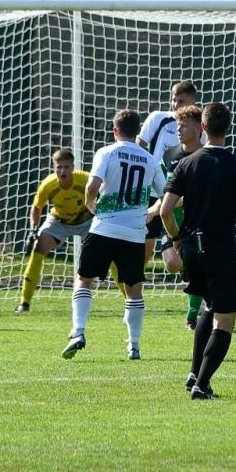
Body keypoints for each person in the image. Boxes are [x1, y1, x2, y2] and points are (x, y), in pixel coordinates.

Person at [159, 102, 236, 400]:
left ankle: (194, 373)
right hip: (220, 250)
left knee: (208, 308)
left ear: (204, 127)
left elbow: (166, 211)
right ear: (229, 128)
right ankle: (202, 385)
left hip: (192, 250)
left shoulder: (185, 163)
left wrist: (176, 239)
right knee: (225, 319)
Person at [62, 109, 164, 361]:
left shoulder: (106, 152)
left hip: (104, 228)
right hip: (134, 233)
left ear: (114, 130)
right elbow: (168, 197)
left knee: (84, 279)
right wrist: (150, 212)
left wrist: (90, 204)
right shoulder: (150, 160)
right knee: (134, 290)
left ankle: (78, 331)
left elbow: (92, 186)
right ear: (138, 131)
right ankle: (134, 345)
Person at [148, 103, 206, 328]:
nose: (178, 129)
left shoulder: (205, 155)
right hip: (172, 222)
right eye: (177, 125)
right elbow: (165, 192)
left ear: (199, 128)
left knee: (197, 269)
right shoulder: (169, 155)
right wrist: (152, 211)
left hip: (197, 224)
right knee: (173, 264)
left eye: (184, 125)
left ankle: (192, 316)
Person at [17, 147, 92, 312]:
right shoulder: (48, 185)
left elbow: (102, 195)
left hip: (86, 220)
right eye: (59, 167)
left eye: (66, 167)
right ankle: (24, 302)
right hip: (59, 221)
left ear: (73, 167)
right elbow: (37, 207)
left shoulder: (85, 180)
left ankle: (128, 299)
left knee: (109, 252)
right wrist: (33, 230)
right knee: (38, 249)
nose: (62, 171)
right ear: (54, 168)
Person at [138, 80, 199, 267]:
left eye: (182, 101)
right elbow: (138, 148)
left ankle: (193, 279)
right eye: (174, 100)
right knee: (144, 252)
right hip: (152, 193)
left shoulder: (199, 128)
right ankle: (132, 294)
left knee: (177, 261)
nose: (176, 105)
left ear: (193, 102)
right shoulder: (158, 118)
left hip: (178, 198)